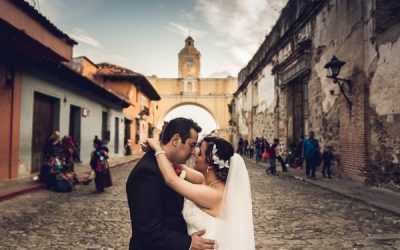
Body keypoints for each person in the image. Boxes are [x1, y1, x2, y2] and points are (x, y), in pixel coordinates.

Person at [145, 135, 255, 250]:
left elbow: (172, 180)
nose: (194, 153)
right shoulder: (207, 182)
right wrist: (161, 151)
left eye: (199, 153)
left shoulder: (214, 194)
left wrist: (158, 149)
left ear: (210, 165)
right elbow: (177, 166)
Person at [126, 118, 213, 250]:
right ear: (176, 140)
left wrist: (157, 149)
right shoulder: (147, 172)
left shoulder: (167, 165)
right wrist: (188, 243)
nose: (193, 152)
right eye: (191, 145)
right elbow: (147, 230)